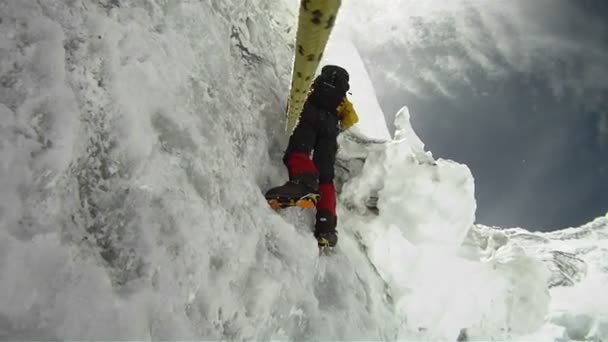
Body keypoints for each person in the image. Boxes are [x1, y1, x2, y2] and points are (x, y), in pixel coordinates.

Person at [265, 65, 359, 248]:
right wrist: (338, 127)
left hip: (310, 115)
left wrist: (290, 111)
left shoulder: (317, 85)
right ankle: (327, 226)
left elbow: (298, 97)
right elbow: (351, 119)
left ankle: (304, 183)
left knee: (299, 149)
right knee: (326, 173)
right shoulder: (342, 99)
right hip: (330, 127)